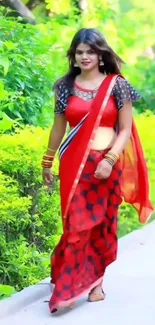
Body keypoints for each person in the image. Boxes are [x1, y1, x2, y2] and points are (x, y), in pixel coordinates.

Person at [42, 28, 154, 313]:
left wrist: (110, 159)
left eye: (90, 51)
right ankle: (68, 286)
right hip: (74, 167)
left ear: (101, 55)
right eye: (79, 52)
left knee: (102, 223)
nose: (84, 56)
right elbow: (58, 128)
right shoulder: (65, 86)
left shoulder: (117, 85)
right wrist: (47, 160)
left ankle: (96, 282)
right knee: (77, 225)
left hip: (107, 166)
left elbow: (126, 129)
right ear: (73, 56)